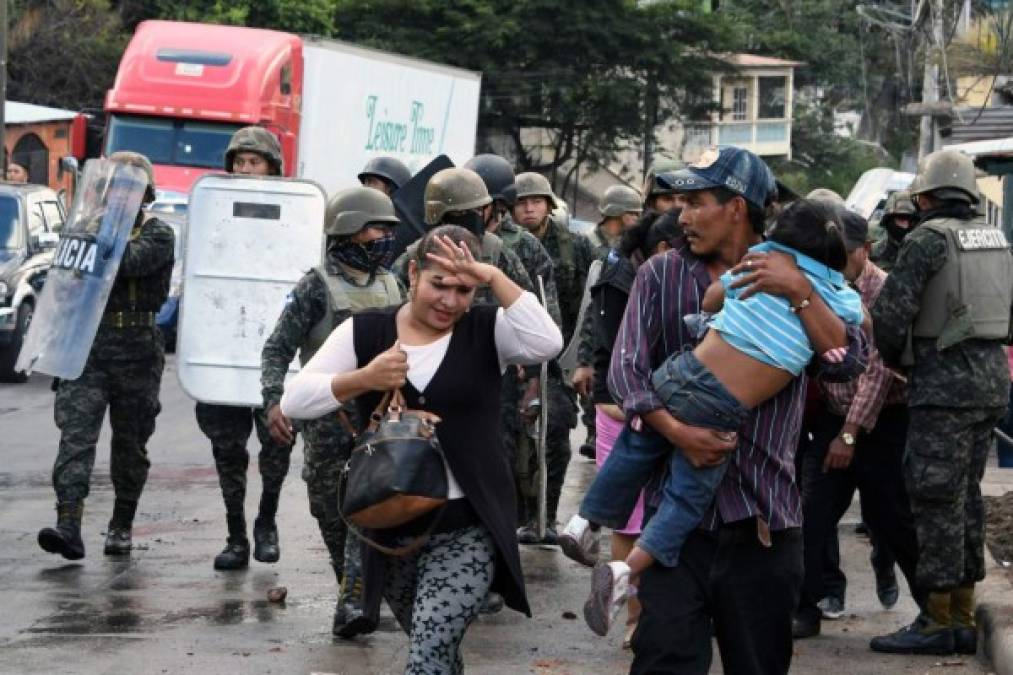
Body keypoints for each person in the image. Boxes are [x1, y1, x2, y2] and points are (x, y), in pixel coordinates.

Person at [579, 145, 868, 674]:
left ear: (737, 206)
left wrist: (801, 292)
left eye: (695, 201)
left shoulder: (804, 276)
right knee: (663, 661)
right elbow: (624, 375)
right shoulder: (660, 275)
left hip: (763, 520)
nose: (680, 215)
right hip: (675, 530)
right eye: (679, 202)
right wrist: (677, 431)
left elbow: (847, 362)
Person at [280, 226, 562, 674]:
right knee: (435, 650)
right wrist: (364, 379)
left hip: (470, 527)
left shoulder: (489, 329)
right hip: (391, 532)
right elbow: (295, 401)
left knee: (428, 652)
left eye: (464, 289)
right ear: (413, 273)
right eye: (439, 285)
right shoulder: (366, 330)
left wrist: (492, 276)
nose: (450, 301)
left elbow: (548, 342)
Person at [871, 149, 1012, 656]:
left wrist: (900, 360)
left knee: (933, 500)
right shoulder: (996, 237)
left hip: (942, 386)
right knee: (967, 498)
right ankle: (962, 615)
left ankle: (936, 621)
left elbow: (890, 316)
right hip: (992, 383)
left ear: (926, 196)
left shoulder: (927, 239)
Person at [260, 185, 403, 637]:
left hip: (381, 419)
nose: (384, 237)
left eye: (387, 229)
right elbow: (277, 348)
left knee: (376, 509)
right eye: (376, 228)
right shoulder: (314, 287)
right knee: (330, 510)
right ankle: (354, 592)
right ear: (349, 231)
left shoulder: (392, 283)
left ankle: (356, 602)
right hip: (327, 419)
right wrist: (273, 400)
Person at [791, 207, 923, 640]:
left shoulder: (884, 290)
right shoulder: (820, 285)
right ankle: (804, 608)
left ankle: (933, 612)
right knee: (811, 515)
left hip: (881, 423)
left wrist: (849, 433)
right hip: (833, 419)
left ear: (865, 250)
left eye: (843, 253)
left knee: (893, 518)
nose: (834, 260)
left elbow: (879, 369)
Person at [37, 151, 175, 559]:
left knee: (131, 446)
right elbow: (64, 282)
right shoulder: (86, 229)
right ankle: (68, 524)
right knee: (75, 439)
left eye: (129, 188)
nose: (119, 196)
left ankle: (121, 524)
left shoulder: (158, 233)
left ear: (145, 194)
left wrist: (85, 237)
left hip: (138, 351)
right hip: (90, 348)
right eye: (113, 187)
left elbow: (124, 261)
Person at [560, 210, 682, 650]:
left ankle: (587, 524)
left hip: (632, 402)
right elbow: (611, 341)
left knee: (637, 515)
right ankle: (635, 616)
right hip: (635, 405)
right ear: (664, 249)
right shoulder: (628, 277)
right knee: (646, 517)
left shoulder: (630, 269)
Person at [196, 126, 295, 570]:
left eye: (254, 162)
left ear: (272, 168)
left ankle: (266, 522)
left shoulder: (295, 216)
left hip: (274, 352)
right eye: (239, 161)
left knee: (276, 447)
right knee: (227, 451)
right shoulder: (213, 213)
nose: (245, 169)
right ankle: (235, 535)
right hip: (226, 348)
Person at [513, 171, 597, 543]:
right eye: (522, 202)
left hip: (559, 358)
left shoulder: (576, 246)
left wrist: (584, 355)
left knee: (556, 435)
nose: (529, 208)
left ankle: (545, 517)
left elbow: (592, 303)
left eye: (536, 201)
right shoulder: (507, 246)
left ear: (549, 205)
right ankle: (522, 515)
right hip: (514, 357)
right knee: (516, 440)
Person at [870, 190, 917, 272]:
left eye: (911, 220)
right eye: (901, 219)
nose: (906, 225)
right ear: (888, 221)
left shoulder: (921, 254)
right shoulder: (871, 253)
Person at [587, 185, 643, 253]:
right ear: (616, 211)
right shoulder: (587, 241)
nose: (636, 218)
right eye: (633, 213)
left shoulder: (629, 244)